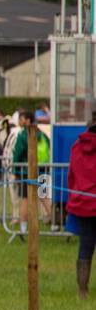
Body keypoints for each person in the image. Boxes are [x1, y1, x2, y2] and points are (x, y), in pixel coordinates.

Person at [65, 113, 96, 298]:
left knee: (85, 246)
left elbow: (71, 176)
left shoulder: (77, 146)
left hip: (83, 204)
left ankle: (82, 290)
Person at [11, 109, 51, 233]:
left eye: (21, 119)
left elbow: (17, 154)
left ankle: (23, 228)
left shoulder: (23, 135)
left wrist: (15, 170)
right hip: (43, 170)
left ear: (28, 120)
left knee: (25, 199)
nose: (19, 121)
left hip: (26, 171)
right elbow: (49, 147)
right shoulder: (42, 134)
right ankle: (55, 223)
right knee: (44, 197)